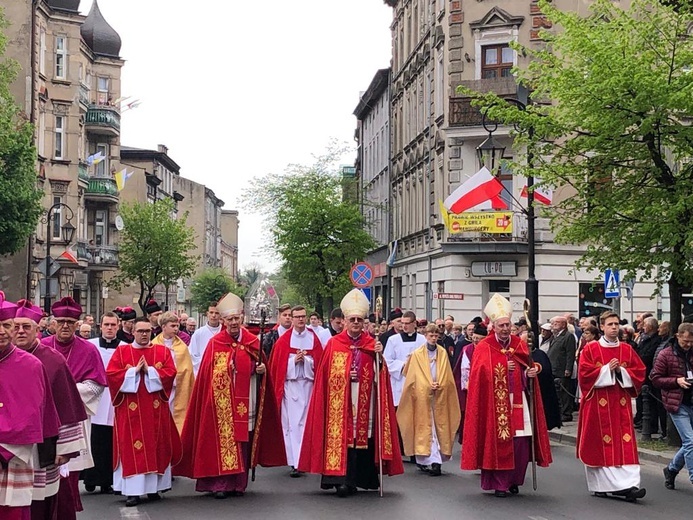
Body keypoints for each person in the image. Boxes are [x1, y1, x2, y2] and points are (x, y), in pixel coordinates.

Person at [175, 292, 283, 498]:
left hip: (246, 400)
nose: (234, 323)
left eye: (236, 319)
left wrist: (261, 370)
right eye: (230, 319)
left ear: (242, 318)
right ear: (223, 321)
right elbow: (210, 373)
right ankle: (219, 484)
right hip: (220, 403)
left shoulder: (252, 341)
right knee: (218, 441)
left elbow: (262, 368)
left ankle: (237, 484)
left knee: (242, 440)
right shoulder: (216, 344)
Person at [298, 289, 403, 497]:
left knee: (362, 438)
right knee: (342, 438)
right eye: (352, 319)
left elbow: (381, 377)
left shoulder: (372, 344)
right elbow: (326, 376)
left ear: (364, 322)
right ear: (344, 321)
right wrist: (347, 373)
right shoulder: (334, 344)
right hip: (341, 402)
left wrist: (379, 359)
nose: (355, 322)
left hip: (365, 401)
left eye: (359, 319)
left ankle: (362, 478)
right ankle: (341, 481)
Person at [462, 294, 552, 497]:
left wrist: (531, 370)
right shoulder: (484, 346)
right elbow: (479, 374)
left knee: (520, 443)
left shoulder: (519, 344)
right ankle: (499, 483)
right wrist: (502, 366)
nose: (504, 329)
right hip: (494, 405)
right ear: (493, 326)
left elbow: (528, 365)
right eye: (501, 325)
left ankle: (514, 480)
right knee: (499, 443)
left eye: (507, 325)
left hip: (518, 400)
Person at [13, 299, 83, 520]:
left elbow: (66, 405)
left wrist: (65, 447)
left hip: (42, 444)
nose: (20, 331)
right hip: (9, 443)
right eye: (15, 327)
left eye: (26, 327)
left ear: (38, 329)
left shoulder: (53, 360)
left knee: (40, 502)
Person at [40, 297, 107, 519]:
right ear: (52, 323)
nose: (65, 326)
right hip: (43, 421)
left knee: (67, 479)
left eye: (70, 321)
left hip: (73, 420)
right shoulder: (41, 347)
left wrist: (64, 391)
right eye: (61, 321)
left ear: (77, 324)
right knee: (41, 477)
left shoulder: (88, 350)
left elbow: (96, 386)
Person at [106, 317, 182, 507]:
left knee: (156, 446)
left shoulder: (162, 351)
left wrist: (150, 372)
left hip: (155, 410)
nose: (144, 334)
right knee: (132, 448)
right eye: (140, 331)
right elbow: (112, 375)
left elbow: (171, 373)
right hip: (129, 411)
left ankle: (153, 489)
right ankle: (133, 492)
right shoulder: (122, 352)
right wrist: (132, 372)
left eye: (147, 331)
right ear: (133, 332)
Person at [0, 295, 61, 520]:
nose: (2, 331)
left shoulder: (31, 366)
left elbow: (34, 413)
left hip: (13, 456)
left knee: (12, 512)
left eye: (7, 325)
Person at [576, 311, 647, 502]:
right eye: (610, 324)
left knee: (624, 443)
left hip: (620, 404)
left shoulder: (627, 349)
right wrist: (606, 369)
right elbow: (584, 375)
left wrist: (620, 370)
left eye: (616, 324)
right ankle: (601, 485)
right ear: (602, 327)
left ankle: (629, 485)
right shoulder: (590, 349)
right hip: (598, 405)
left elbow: (639, 372)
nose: (614, 327)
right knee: (600, 444)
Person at [397, 323, 460, 476]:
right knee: (425, 428)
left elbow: (447, 375)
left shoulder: (442, 353)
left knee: (438, 427)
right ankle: (427, 459)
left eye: (436, 336)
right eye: (431, 336)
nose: (433, 338)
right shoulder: (417, 354)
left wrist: (440, 384)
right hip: (422, 397)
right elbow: (412, 376)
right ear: (425, 336)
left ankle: (436, 460)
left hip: (439, 395)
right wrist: (426, 385)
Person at [268, 305, 323, 477]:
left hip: (307, 386)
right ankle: (294, 461)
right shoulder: (283, 341)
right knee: (290, 425)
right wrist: (292, 363)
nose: (300, 319)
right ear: (291, 319)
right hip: (290, 387)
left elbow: (320, 363)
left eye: (303, 316)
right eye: (297, 316)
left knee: (305, 424)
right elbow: (276, 366)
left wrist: (305, 361)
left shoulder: (314, 339)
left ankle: (304, 460)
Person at [83, 312, 127, 495]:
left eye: (113, 325)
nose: (109, 328)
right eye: (106, 325)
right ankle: (90, 478)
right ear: (100, 326)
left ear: (118, 326)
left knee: (111, 439)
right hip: (96, 395)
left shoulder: (126, 347)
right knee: (94, 438)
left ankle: (108, 480)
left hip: (115, 397)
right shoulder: (90, 346)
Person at [650, 322, 693, 491]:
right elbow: (655, 378)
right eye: (685, 342)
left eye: (691, 342)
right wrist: (676, 381)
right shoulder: (665, 354)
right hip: (677, 403)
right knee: (690, 440)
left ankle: (672, 469)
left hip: (691, 400)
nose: (688, 345)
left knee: (690, 443)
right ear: (678, 336)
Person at [152, 311, 195, 434]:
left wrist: (178, 377)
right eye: (173, 326)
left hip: (178, 389)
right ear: (163, 326)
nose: (176, 329)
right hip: (160, 388)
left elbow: (187, 369)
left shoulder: (182, 347)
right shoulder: (154, 345)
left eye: (177, 326)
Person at [383, 310, 426, 408]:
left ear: (414, 323)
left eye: (407, 323)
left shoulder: (423, 340)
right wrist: (403, 365)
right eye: (402, 323)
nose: (404, 326)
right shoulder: (393, 340)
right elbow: (387, 361)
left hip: (418, 381)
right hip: (400, 381)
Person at [452, 323, 486, 444]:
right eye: (474, 338)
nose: (476, 341)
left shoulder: (488, 350)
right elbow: (462, 368)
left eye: (479, 339)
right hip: (468, 387)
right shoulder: (467, 349)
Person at [547, 316, 577, 423]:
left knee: (564, 392)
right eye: (553, 323)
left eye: (556, 323)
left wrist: (568, 368)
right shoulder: (555, 336)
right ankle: (560, 412)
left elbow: (570, 354)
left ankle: (566, 413)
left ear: (563, 325)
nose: (553, 325)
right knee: (557, 393)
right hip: (554, 368)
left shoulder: (568, 336)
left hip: (562, 369)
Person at [188, 303, 222, 376]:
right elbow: (192, 355)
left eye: (217, 313)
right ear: (207, 314)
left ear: (220, 315)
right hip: (203, 372)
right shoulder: (198, 333)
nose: (214, 315)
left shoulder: (224, 331)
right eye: (211, 312)